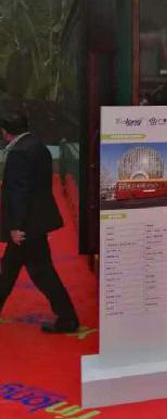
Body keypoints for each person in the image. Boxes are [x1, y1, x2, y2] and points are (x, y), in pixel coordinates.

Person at [0, 110, 79, 333]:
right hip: (35, 224)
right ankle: (67, 317)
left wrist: (15, 227)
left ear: (6, 132)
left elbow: (19, 192)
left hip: (26, 228)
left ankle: (68, 318)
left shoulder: (19, 153)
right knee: (8, 270)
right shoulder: (37, 146)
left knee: (41, 273)